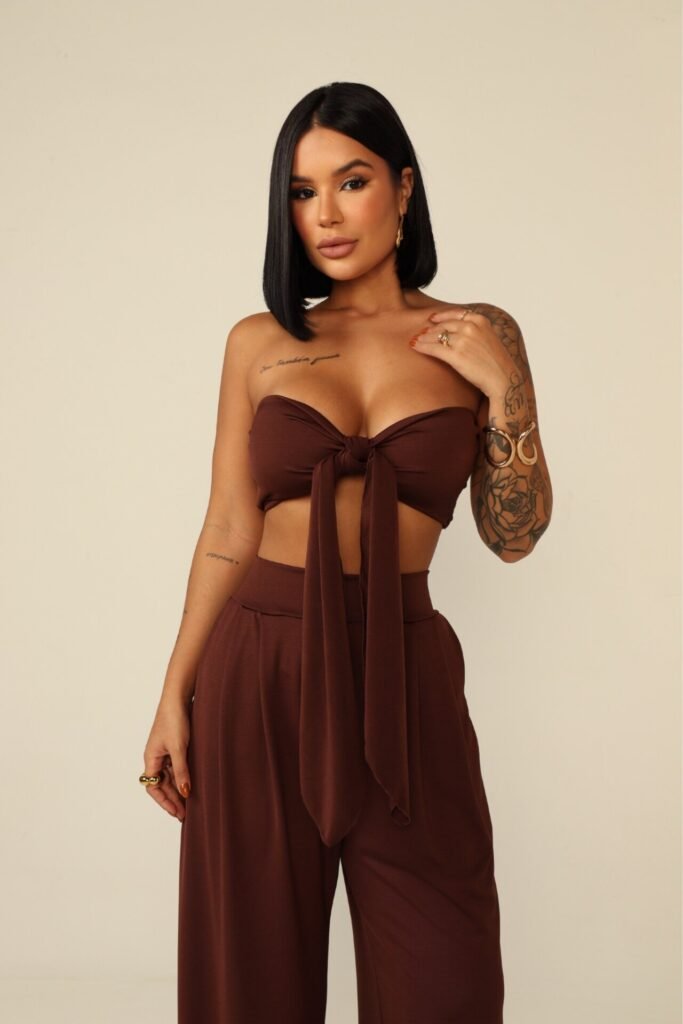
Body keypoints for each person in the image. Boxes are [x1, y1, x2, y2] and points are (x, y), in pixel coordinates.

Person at [139, 80, 553, 1023]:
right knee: (249, 981)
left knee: (442, 978)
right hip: (260, 669)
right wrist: (173, 693)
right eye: (301, 191)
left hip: (407, 675)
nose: (324, 214)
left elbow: (514, 535)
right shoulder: (258, 343)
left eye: (351, 181)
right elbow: (228, 530)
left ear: (402, 188)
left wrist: (504, 394)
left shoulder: (479, 335)